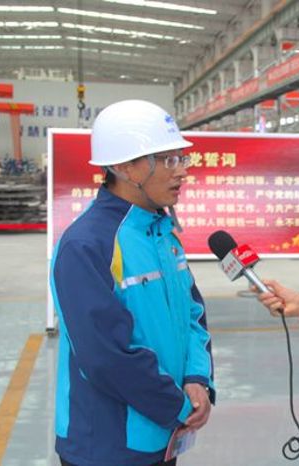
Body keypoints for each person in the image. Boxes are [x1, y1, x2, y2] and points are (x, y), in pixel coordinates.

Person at [50, 100, 215, 466]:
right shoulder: (87, 245)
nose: (182, 171)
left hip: (164, 434)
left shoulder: (161, 233)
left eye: (182, 158)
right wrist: (177, 404)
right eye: (167, 160)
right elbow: (104, 355)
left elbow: (192, 314)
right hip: (106, 447)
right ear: (123, 167)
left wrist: (197, 378)